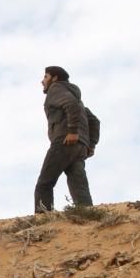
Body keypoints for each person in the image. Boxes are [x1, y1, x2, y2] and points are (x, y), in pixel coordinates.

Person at [35, 66, 100, 214]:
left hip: (64, 142)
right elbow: (94, 121)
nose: (42, 81)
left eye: (45, 77)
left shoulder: (55, 89)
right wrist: (91, 145)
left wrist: (72, 132)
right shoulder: (78, 99)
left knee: (44, 184)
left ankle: (43, 219)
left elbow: (70, 105)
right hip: (80, 147)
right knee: (79, 186)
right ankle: (87, 215)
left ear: (55, 78)